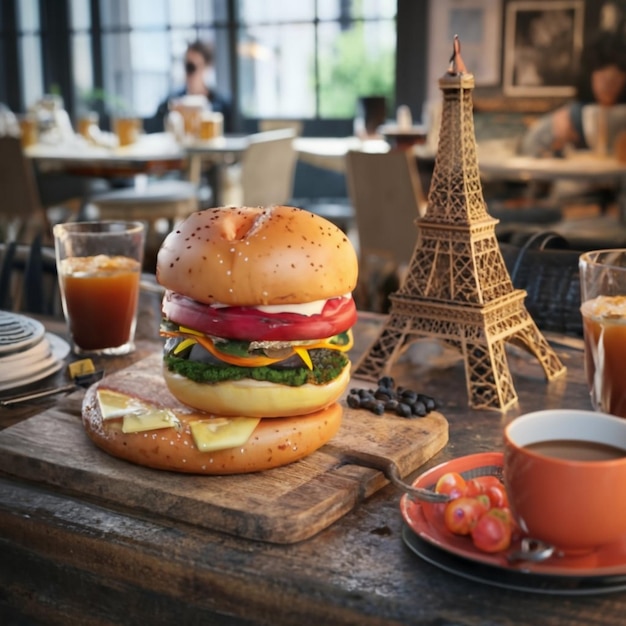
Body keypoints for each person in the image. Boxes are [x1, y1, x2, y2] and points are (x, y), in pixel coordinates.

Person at [520, 30, 626, 157]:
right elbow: (530, 147)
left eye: (616, 77)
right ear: (589, 75)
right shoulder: (575, 116)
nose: (608, 83)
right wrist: (557, 144)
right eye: (601, 75)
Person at [147, 39, 233, 134]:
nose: (188, 72)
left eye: (192, 67)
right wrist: (172, 115)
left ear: (206, 67)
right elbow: (154, 130)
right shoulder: (171, 101)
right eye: (186, 67)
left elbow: (231, 137)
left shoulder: (223, 104)